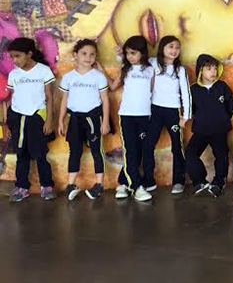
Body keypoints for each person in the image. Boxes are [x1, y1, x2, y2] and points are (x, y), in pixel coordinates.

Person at [3, 38, 57, 202]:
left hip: (36, 117)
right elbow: (11, 98)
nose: (14, 60)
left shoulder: (43, 71)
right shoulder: (14, 74)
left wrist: (49, 121)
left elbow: (49, 97)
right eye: (12, 57)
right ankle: (22, 187)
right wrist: (8, 120)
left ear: (29, 54)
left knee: (40, 153)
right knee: (21, 154)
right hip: (17, 117)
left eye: (18, 56)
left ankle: (47, 186)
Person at [58, 39, 110, 201]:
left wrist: (105, 121)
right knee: (75, 151)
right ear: (76, 55)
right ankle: (70, 185)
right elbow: (64, 100)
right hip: (74, 119)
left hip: (93, 118)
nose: (88, 57)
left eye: (92, 54)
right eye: (84, 53)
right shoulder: (68, 77)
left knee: (96, 151)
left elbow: (105, 100)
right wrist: (60, 121)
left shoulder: (98, 77)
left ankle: (99, 184)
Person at [104, 36, 154, 202]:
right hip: (127, 116)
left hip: (145, 115)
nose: (130, 56)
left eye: (133, 53)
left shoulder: (151, 69)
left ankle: (122, 183)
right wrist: (101, 69)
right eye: (127, 53)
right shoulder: (126, 69)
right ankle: (136, 187)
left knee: (138, 152)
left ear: (142, 53)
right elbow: (113, 86)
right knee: (130, 150)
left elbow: (153, 90)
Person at [141, 35, 191, 194]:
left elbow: (186, 93)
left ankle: (178, 181)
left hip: (174, 111)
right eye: (171, 46)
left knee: (177, 147)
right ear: (162, 47)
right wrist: (119, 56)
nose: (174, 50)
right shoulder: (153, 63)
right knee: (148, 145)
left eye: (177, 47)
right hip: (155, 110)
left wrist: (185, 116)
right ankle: (149, 180)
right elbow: (134, 64)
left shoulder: (180, 69)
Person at [186, 54, 233, 197]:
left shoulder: (222, 87)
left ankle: (219, 182)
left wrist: (223, 119)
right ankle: (200, 181)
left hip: (219, 129)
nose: (213, 72)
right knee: (190, 154)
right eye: (209, 69)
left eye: (215, 68)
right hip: (201, 130)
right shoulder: (193, 89)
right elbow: (190, 109)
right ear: (200, 71)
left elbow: (231, 107)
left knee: (221, 156)